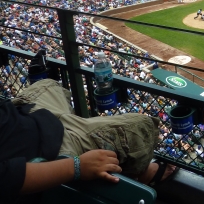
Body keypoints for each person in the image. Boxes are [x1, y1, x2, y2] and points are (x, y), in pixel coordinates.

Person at [0, 79, 179, 203]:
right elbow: (7, 178)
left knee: (47, 84)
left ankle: (79, 124)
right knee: (143, 125)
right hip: (49, 150)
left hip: (24, 116)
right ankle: (141, 174)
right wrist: (77, 166)